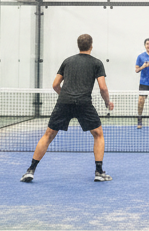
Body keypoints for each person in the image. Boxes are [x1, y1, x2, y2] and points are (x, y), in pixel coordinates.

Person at [21, 33, 114, 183]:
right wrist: (107, 102)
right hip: (84, 103)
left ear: (78, 46)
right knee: (98, 134)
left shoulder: (67, 61)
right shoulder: (97, 63)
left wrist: (64, 95)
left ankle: (30, 170)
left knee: (48, 135)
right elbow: (103, 88)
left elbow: (55, 85)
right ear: (91, 46)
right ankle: (98, 172)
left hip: (64, 102)